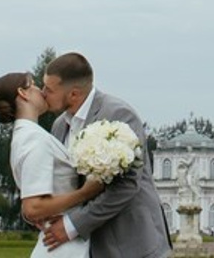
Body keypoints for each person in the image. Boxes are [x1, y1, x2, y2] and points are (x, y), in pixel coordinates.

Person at [33, 52, 170, 258]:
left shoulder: (120, 116)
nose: (42, 93)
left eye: (49, 89)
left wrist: (72, 225)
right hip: (85, 248)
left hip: (131, 244)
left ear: (74, 94)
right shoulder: (59, 126)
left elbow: (127, 186)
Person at [0, 71, 103, 258]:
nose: (41, 90)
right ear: (23, 93)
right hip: (63, 245)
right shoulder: (34, 138)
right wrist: (85, 192)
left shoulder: (25, 136)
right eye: (33, 85)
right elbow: (33, 207)